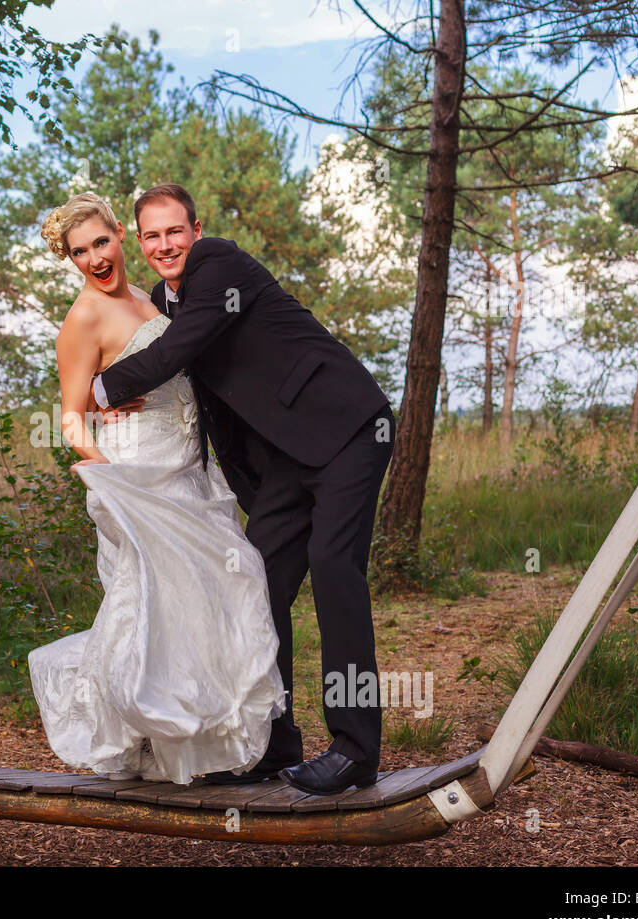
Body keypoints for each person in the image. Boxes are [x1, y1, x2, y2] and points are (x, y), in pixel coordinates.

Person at [93, 184, 395, 795]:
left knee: (334, 568)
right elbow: (211, 403)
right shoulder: (162, 299)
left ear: (196, 231)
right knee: (255, 585)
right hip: (286, 460)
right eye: (151, 235)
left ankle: (356, 749)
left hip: (347, 428)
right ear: (141, 242)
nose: (164, 245)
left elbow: (181, 351)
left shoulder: (219, 265)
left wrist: (95, 392)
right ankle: (271, 743)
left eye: (174, 231)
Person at [27, 193, 287, 786]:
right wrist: (105, 473)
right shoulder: (83, 319)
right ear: (69, 260)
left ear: (121, 236)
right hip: (138, 475)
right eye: (78, 252)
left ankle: (198, 741)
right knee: (153, 603)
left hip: (189, 469)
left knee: (204, 599)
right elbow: (71, 418)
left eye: (100, 242)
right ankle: (144, 725)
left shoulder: (152, 298)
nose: (93, 258)